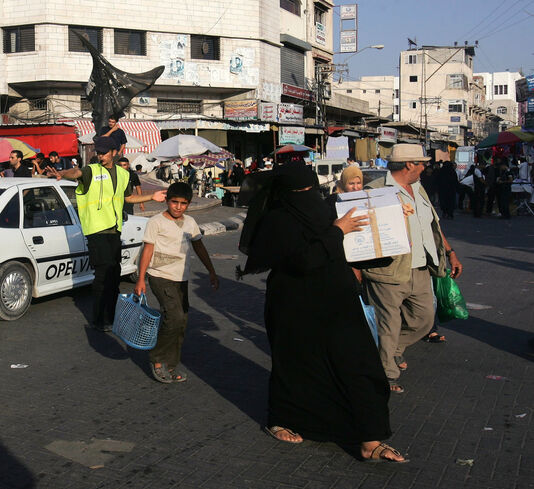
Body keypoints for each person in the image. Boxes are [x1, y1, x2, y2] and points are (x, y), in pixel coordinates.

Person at [239, 162, 405, 462]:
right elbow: (304, 260)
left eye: (311, 189)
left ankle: (371, 439)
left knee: (360, 364)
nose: (308, 196)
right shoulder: (278, 221)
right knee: (296, 366)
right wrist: (335, 232)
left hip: (338, 303)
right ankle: (282, 420)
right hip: (294, 306)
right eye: (301, 191)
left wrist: (391, 223)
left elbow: (357, 249)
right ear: (286, 194)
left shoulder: (327, 213)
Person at [359, 144, 462, 393]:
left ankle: (390, 351)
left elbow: (433, 225)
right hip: (388, 270)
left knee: (424, 320)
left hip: (420, 268)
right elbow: (362, 233)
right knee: (388, 324)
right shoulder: (376, 191)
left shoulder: (418, 188)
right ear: (409, 165)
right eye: (421, 163)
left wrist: (450, 252)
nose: (425, 166)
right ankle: (387, 375)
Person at [49, 136, 166, 331]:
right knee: (103, 274)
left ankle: (110, 317)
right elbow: (76, 172)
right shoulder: (91, 171)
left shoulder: (122, 174)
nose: (100, 155)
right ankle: (98, 319)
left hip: (114, 230)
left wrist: (151, 196)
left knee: (114, 274)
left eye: (104, 152)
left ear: (114, 153)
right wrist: (63, 173)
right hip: (96, 230)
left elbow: (128, 198)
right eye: (98, 152)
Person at [134, 182, 218, 383]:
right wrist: (140, 279)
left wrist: (212, 271)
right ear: (167, 201)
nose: (178, 207)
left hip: (181, 278)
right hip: (159, 275)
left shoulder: (190, 223)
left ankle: (170, 365)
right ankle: (157, 359)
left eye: (183, 203)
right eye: (174, 202)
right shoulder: (156, 222)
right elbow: (148, 250)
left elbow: (199, 247)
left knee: (181, 322)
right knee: (175, 317)